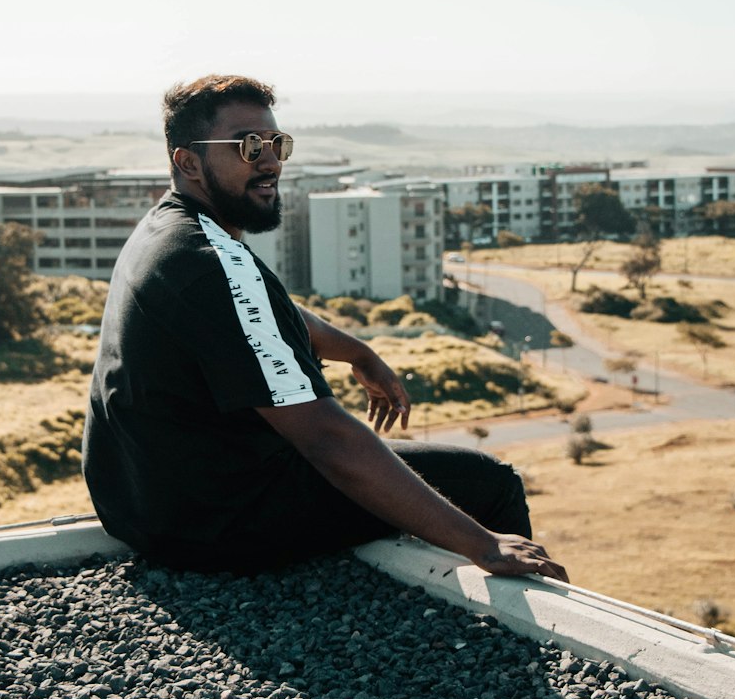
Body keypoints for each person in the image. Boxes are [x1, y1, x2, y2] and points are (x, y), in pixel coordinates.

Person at [83, 74, 567, 583]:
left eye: (277, 144)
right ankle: (533, 637)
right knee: (491, 483)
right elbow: (328, 440)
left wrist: (358, 352)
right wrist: (485, 546)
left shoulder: (167, 232)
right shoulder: (211, 263)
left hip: (141, 505)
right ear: (189, 162)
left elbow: (269, 317)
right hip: (216, 524)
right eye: (248, 146)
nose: (269, 161)